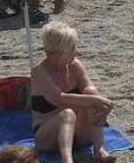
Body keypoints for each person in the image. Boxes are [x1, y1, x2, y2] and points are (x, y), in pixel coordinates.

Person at [29, 23, 115, 163]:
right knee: (67, 113)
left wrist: (101, 105)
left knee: (91, 91)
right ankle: (67, 161)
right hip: (48, 137)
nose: (76, 52)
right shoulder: (39, 72)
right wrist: (97, 101)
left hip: (79, 133)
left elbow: (92, 94)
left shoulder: (75, 66)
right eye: (72, 48)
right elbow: (60, 99)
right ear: (59, 51)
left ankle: (99, 149)